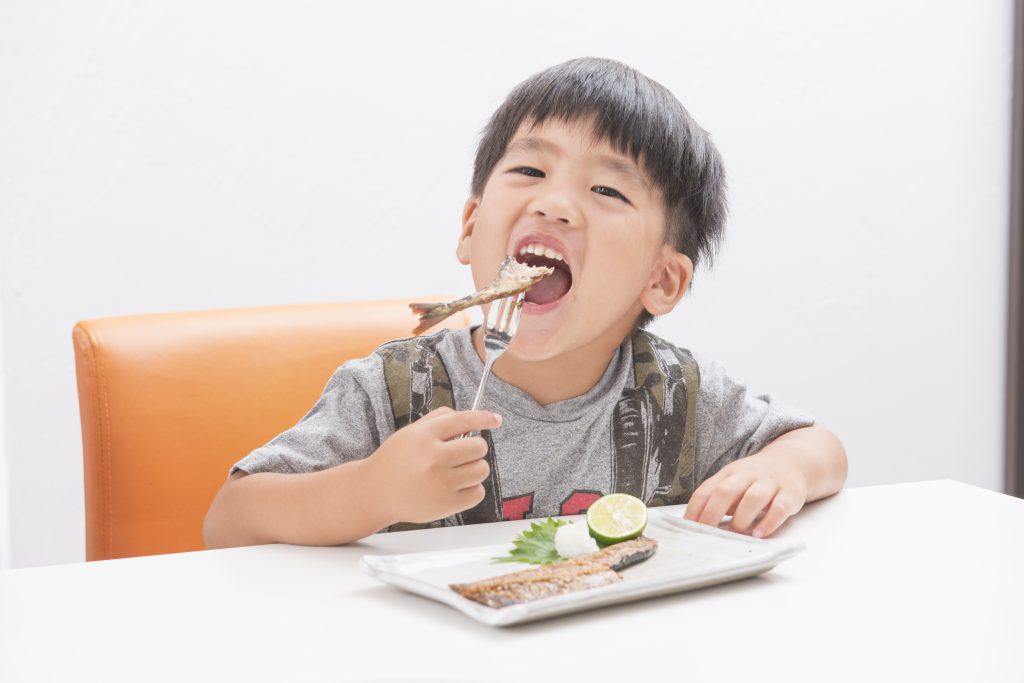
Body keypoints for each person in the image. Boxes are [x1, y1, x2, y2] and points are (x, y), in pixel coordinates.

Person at [203, 57, 847, 549]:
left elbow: (820, 447)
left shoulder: (677, 396)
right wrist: (371, 490)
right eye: (530, 172)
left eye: (605, 189)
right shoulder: (392, 391)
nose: (553, 203)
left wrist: (782, 472)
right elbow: (229, 522)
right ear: (470, 226)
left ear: (663, 281)